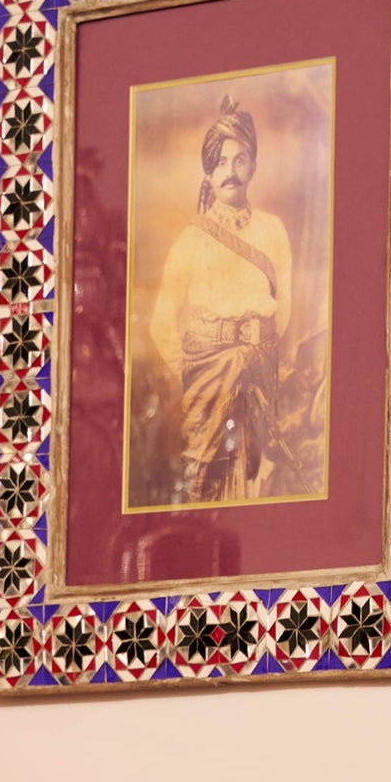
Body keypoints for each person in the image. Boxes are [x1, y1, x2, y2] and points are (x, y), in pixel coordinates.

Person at [148, 92, 292, 503]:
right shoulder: (190, 240)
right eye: (221, 163)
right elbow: (161, 323)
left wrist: (259, 352)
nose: (231, 172)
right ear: (208, 173)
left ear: (254, 165)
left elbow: (285, 309)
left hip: (261, 373)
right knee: (208, 484)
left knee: (258, 477)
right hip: (207, 381)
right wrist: (195, 373)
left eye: (240, 160)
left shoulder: (273, 231)